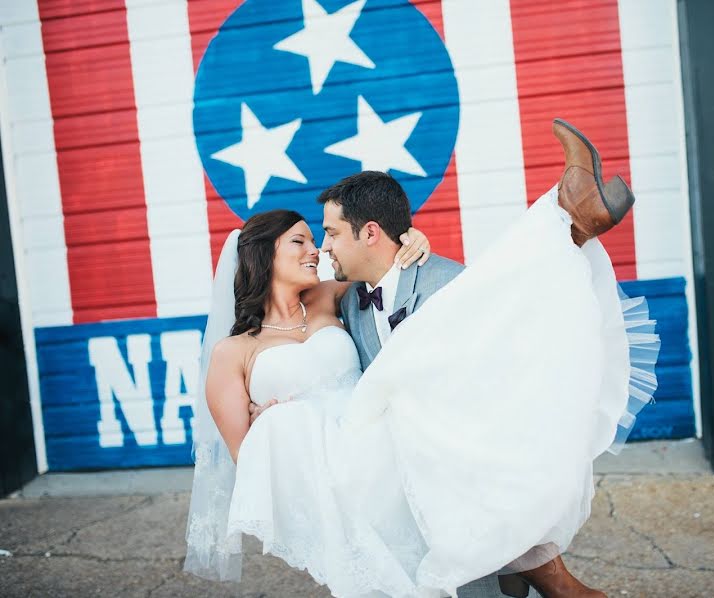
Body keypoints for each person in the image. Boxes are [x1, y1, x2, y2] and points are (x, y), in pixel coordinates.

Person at [184, 119, 660, 598]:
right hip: (345, 473)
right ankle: (569, 215)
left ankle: (568, 219)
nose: (319, 249)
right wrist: (273, 430)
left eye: (322, 235)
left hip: (417, 447)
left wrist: (411, 238)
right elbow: (248, 464)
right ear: (264, 256)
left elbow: (389, 263)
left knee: (490, 303)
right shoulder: (238, 350)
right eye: (303, 241)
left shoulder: (332, 299)